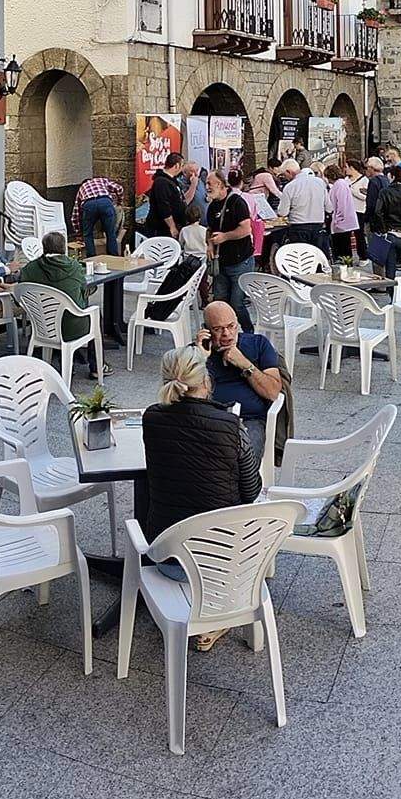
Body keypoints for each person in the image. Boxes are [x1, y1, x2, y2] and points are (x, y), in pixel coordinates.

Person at [138, 344, 261, 648]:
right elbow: (252, 491)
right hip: (222, 566)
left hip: (165, 558)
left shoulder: (151, 419)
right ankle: (219, 617)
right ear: (206, 382)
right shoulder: (231, 426)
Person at [196, 299, 284, 468]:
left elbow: (273, 392)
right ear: (206, 330)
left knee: (241, 461)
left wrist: (244, 364)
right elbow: (184, 395)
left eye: (231, 326)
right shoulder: (195, 352)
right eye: (218, 329)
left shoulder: (258, 344)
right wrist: (200, 359)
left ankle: (238, 493)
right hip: (206, 421)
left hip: (248, 421)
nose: (227, 334)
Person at [19, 232, 107, 377]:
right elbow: (85, 289)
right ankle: (97, 367)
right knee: (96, 314)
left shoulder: (29, 269)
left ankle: (65, 361)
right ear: (63, 248)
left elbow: (20, 295)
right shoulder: (74, 267)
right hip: (72, 328)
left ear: (44, 247)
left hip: (42, 325)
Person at [204, 170, 256, 330]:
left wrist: (225, 237)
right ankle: (218, 337)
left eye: (209, 184)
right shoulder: (212, 206)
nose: (206, 187)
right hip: (222, 261)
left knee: (237, 303)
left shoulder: (237, 203)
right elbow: (210, 229)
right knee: (219, 301)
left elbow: (246, 229)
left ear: (220, 184)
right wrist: (210, 244)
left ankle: (249, 332)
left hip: (240, 261)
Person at [367, 167, 401, 284]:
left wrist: (383, 229)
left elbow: (378, 212)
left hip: (390, 233)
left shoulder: (384, 192)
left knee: (390, 270)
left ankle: (392, 297)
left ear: (391, 176)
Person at [274, 155, 330, 257]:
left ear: (289, 172)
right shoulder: (320, 183)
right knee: (318, 258)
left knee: (302, 258)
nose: (285, 178)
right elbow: (329, 208)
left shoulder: (290, 187)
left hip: (298, 227)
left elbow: (283, 212)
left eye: (284, 175)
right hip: (318, 226)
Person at [74, 175, 124, 257]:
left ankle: (91, 259)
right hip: (105, 202)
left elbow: (75, 215)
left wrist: (79, 234)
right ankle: (114, 257)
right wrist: (119, 202)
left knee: (88, 235)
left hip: (89, 204)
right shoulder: (101, 180)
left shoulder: (81, 189)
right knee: (111, 233)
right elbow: (119, 188)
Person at [143, 153, 188, 240]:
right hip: (161, 228)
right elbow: (163, 206)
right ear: (176, 166)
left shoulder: (172, 180)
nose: (182, 169)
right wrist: (172, 226)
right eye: (181, 166)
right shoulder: (161, 182)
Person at [326, 163, 361, 260]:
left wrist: (338, 219)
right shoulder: (340, 184)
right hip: (342, 222)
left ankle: (345, 265)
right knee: (343, 248)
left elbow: (342, 204)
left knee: (343, 248)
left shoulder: (340, 185)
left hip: (342, 223)